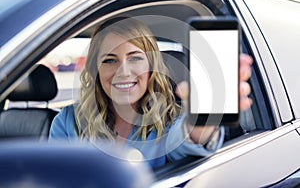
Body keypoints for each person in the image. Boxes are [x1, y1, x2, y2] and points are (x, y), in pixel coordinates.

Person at [49, 17, 253, 168]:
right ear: (95, 69)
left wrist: (201, 122)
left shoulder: (171, 120)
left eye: (135, 58)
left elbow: (187, 139)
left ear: (152, 65)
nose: (124, 72)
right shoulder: (68, 121)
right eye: (110, 60)